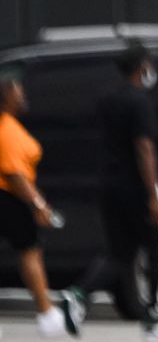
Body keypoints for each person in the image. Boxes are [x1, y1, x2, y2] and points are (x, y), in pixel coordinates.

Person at [64, 45, 158, 340]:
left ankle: (78, 294)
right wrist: (153, 194)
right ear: (141, 67)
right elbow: (145, 149)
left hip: (109, 186)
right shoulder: (140, 103)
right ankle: (155, 317)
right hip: (138, 186)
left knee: (120, 255)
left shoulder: (106, 100)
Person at [0, 75, 86, 337]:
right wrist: (38, 204)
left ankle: (47, 312)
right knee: (29, 251)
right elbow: (15, 174)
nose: (23, 96)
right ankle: (47, 313)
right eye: (18, 92)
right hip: (8, 198)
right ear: (5, 96)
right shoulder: (5, 129)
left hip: (13, 197)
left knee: (30, 251)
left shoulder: (11, 125)